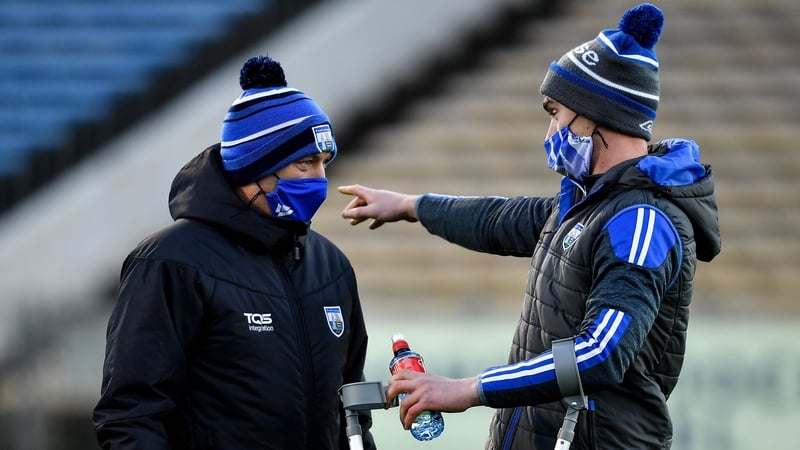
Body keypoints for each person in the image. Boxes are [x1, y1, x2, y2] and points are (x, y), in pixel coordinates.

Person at [339, 4, 720, 449]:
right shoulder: (587, 205)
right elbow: (496, 220)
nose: (549, 132)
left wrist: (468, 389)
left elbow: (600, 353)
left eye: (555, 113)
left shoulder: (642, 220)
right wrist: (410, 205)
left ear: (597, 115)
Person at [93, 55, 376, 450]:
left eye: (324, 164)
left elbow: (351, 412)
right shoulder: (171, 262)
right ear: (256, 166)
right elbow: (131, 417)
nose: (320, 180)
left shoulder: (331, 266)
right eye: (305, 164)